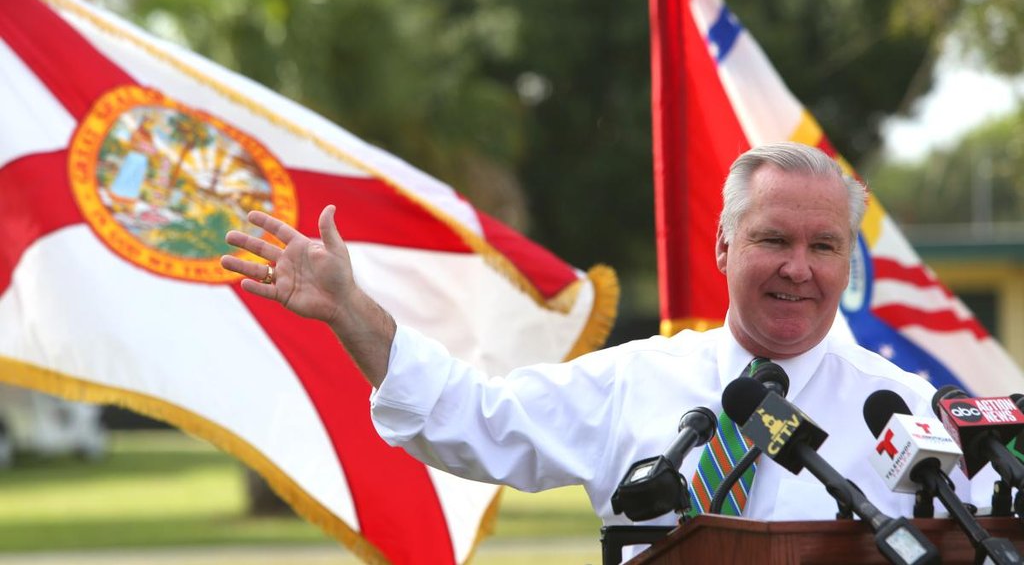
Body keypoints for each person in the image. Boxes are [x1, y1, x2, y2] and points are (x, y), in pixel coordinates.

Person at [220, 142, 995, 530]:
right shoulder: (637, 379)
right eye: (772, 241)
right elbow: (474, 420)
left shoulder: (905, 408)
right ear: (724, 245)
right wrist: (355, 314)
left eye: (823, 247)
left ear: (846, 262)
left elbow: (997, 527)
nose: (799, 269)